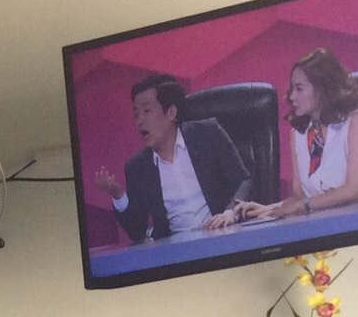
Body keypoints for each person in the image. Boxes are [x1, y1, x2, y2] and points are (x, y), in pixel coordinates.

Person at [95, 73, 251, 240]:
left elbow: (243, 181)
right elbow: (137, 231)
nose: (139, 121)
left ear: (171, 112)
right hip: (177, 250)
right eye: (136, 114)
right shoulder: (137, 168)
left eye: (146, 111)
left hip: (224, 236)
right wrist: (118, 194)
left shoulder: (207, 134)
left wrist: (230, 213)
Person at [238, 48, 358, 222]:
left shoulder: (356, 121)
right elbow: (300, 198)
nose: (292, 96)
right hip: (316, 225)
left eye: (299, 89)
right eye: (292, 89)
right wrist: (268, 208)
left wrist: (303, 205)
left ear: (322, 89)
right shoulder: (298, 134)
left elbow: (353, 190)